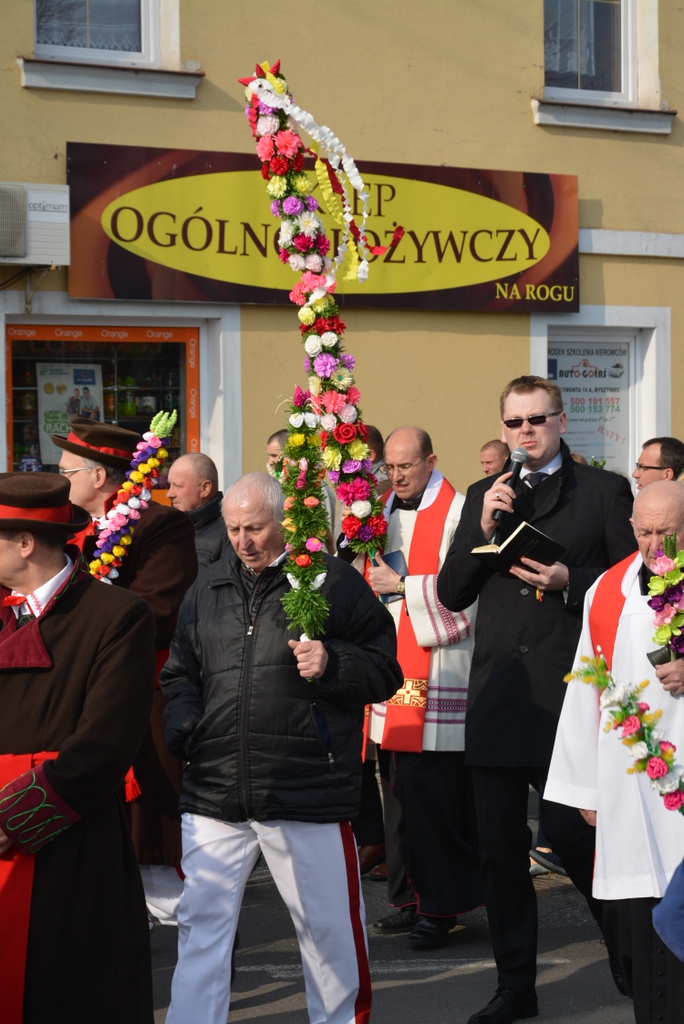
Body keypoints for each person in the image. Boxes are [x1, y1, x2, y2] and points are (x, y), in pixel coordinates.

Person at [160, 472, 402, 1024]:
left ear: (284, 522)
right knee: (201, 930)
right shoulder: (208, 586)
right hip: (215, 788)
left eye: (255, 528)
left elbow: (386, 668)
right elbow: (180, 672)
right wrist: (185, 718)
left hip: (305, 787)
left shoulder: (331, 581)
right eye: (233, 529)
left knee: (327, 932)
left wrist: (334, 663)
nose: (243, 542)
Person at [437, 374, 637, 1024]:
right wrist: (483, 525)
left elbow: (634, 585)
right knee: (500, 854)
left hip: (567, 695)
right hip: (499, 695)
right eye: (515, 422)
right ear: (504, 428)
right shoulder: (483, 495)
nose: (526, 431)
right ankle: (514, 986)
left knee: (572, 835)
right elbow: (451, 593)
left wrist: (571, 578)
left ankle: (631, 950)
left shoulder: (602, 491)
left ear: (560, 421)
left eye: (537, 420)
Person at [0, 472, 156, 1024]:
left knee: (66, 990)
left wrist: (14, 817)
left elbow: (105, 744)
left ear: (25, 542)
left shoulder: (117, 614)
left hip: (69, 838)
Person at [545, 480, 684, 1024]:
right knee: (639, 921)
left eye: (667, 533)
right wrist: (586, 786)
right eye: (644, 532)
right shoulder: (607, 589)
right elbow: (589, 684)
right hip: (631, 784)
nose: (654, 545)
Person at [51, 416, 198, 926]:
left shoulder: (159, 525)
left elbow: (155, 613)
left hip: (143, 693)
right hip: (83, 692)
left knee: (157, 854)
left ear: (98, 476)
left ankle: (200, 944)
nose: (60, 480)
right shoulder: (72, 529)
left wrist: (78, 634)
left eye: (67, 471)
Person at [363, 427, 481, 949]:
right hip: (393, 673)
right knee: (398, 793)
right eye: (389, 466)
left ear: (431, 461)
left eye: (406, 466)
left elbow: (467, 592)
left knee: (431, 795)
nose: (395, 476)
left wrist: (402, 586)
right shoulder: (379, 510)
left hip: (437, 672)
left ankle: (441, 906)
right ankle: (410, 898)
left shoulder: (457, 512)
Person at [166, 452, 228, 568]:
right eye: (169, 485)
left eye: (178, 486)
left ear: (205, 488)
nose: (169, 494)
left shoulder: (230, 534)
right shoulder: (171, 528)